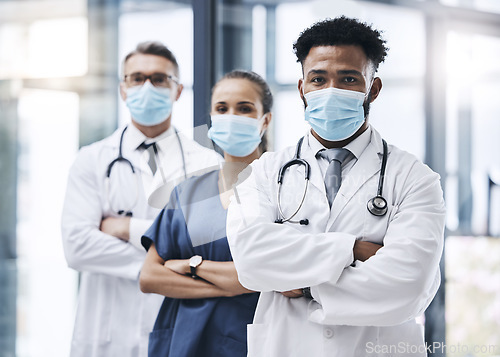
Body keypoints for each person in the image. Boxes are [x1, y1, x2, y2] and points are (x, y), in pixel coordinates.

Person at [226, 16, 446, 356]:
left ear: (373, 88)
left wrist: (302, 285)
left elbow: (406, 286)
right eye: (318, 79)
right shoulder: (265, 172)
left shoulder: (416, 179)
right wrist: (353, 249)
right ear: (302, 88)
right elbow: (250, 261)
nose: (331, 90)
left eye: (348, 79)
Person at [61, 41, 221, 357]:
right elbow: (77, 246)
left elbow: (206, 248)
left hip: (178, 328)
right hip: (106, 334)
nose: (147, 86)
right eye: (137, 78)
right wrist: (160, 267)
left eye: (159, 79)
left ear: (178, 90)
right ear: (123, 88)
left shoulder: (208, 164)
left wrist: (128, 229)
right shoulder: (91, 159)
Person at [139, 69, 272, 357]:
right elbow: (149, 277)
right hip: (182, 341)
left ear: (265, 120)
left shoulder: (282, 189)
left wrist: (191, 266)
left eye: (245, 108)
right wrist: (231, 286)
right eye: (222, 109)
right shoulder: (187, 192)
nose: (231, 116)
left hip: (247, 341)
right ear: (211, 117)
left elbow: (276, 277)